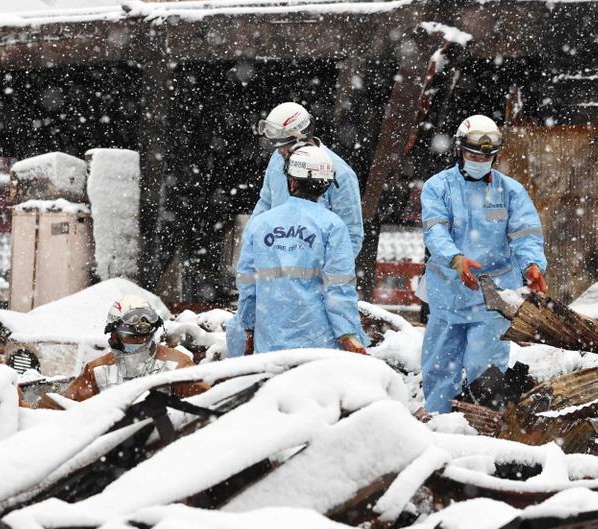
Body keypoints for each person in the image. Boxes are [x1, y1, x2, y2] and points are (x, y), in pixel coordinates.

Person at [420, 114, 548, 414]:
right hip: (447, 294)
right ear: (458, 151)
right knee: (439, 368)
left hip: (492, 297)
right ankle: (439, 424)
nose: (479, 160)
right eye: (473, 154)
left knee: (485, 369)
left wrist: (532, 265)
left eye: (486, 156)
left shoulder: (511, 191)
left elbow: (526, 233)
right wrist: (455, 258)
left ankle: (485, 432)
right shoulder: (437, 188)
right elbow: (435, 230)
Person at [236, 144, 367, 355]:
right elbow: (339, 287)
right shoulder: (333, 226)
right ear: (325, 186)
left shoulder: (261, 225)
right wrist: (348, 335)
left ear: (292, 181)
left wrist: (249, 329)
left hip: (269, 343)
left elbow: (247, 284)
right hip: (318, 344)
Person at [252, 101, 364, 257]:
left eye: (284, 146)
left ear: (301, 140)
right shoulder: (277, 161)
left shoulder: (341, 174)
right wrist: (251, 246)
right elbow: (264, 204)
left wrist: (330, 275)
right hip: (274, 268)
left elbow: (351, 235)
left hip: (314, 272)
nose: (279, 153)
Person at [56, 295, 210, 403]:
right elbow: (65, 412)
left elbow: (205, 408)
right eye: (132, 337)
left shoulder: (178, 366)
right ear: (113, 335)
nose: (140, 342)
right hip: (111, 446)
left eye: (145, 336)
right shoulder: (97, 370)